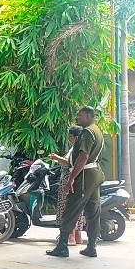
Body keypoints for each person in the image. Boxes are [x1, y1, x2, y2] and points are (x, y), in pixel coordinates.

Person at [46, 106, 104, 258]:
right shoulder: (97, 130)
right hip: (95, 173)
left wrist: (71, 179)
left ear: (87, 116)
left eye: (79, 116)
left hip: (85, 175)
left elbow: (83, 157)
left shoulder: (87, 132)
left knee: (71, 208)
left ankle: (63, 245)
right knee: (93, 210)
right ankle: (92, 246)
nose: (77, 118)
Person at [48, 125, 87, 246]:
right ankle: (77, 235)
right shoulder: (80, 148)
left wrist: (56, 157)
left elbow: (68, 163)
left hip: (70, 180)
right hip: (78, 180)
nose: (68, 138)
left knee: (67, 207)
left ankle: (70, 237)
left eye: (70, 136)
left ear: (75, 137)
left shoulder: (76, 148)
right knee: (76, 208)